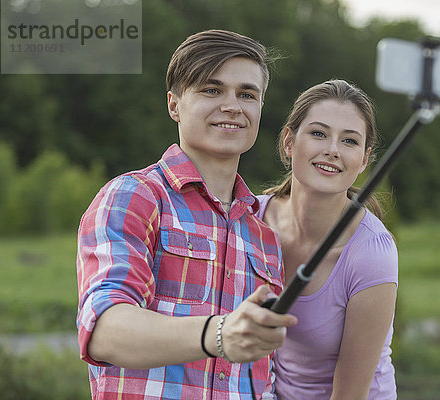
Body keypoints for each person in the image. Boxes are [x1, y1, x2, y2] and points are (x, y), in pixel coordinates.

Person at [76, 29, 297, 400]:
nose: (232, 105)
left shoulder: (264, 234)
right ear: (174, 105)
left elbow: (262, 376)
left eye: (247, 94)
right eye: (212, 90)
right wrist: (219, 334)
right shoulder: (135, 197)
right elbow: (104, 331)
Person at [258, 79, 399, 399]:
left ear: (363, 161)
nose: (332, 150)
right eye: (319, 134)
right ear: (289, 142)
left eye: (349, 141)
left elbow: (350, 395)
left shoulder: (370, 252)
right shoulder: (250, 219)